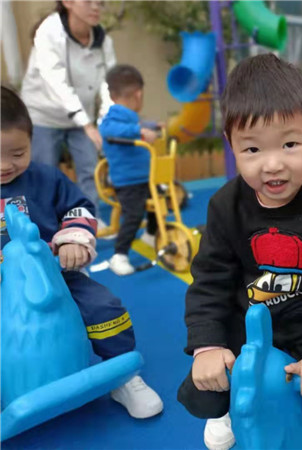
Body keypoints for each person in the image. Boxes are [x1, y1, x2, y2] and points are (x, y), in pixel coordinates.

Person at [177, 54, 302, 450]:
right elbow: (209, 281)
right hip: (246, 329)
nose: (273, 165)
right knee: (203, 393)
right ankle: (231, 404)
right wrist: (208, 345)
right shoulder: (224, 206)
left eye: (290, 144)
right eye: (252, 149)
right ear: (231, 144)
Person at [0, 85, 163, 419]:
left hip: (55, 275)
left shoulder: (47, 179)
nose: (5, 165)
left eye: (17, 153)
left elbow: (80, 209)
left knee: (104, 306)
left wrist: (72, 241)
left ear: (31, 141)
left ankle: (122, 373)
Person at [21, 0, 115, 211]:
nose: (96, 7)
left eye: (100, 2)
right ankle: (47, 224)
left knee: (91, 171)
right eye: (88, 1)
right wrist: (87, 125)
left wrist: (104, 120)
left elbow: (108, 84)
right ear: (68, 2)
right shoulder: (48, 31)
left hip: (82, 119)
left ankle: (90, 221)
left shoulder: (103, 41)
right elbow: (57, 84)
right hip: (43, 115)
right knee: (45, 174)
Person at [99, 65, 159, 276]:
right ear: (138, 94)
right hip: (127, 181)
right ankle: (119, 255)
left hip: (144, 178)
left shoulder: (132, 119)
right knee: (133, 215)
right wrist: (139, 132)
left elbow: (140, 125)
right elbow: (109, 130)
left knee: (158, 205)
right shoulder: (112, 120)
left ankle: (150, 235)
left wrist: (154, 126)